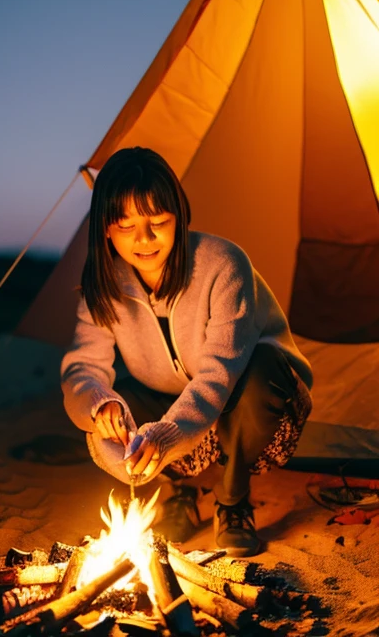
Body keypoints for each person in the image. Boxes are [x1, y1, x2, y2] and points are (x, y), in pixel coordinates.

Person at [61, 147, 313, 556]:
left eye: (158, 222)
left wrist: (166, 435)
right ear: (106, 229)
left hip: (250, 393)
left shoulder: (222, 265)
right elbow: (82, 369)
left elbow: (219, 374)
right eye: (126, 225)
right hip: (175, 397)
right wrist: (99, 406)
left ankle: (232, 499)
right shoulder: (103, 287)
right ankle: (179, 492)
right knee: (120, 396)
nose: (144, 239)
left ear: (179, 217)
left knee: (258, 378)